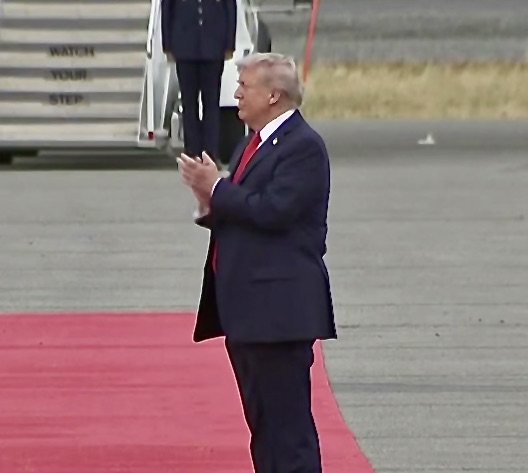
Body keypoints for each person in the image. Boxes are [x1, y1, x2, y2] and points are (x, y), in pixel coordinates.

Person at [177, 52, 336, 473]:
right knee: (264, 427)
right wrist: (208, 199)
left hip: (279, 313)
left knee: (287, 428)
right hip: (249, 311)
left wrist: (218, 188)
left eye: (244, 86)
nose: (236, 95)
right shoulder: (252, 143)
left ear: (273, 95)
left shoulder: (302, 147)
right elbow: (244, 209)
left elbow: (275, 211)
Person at [161, 0, 237, 164]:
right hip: (184, 45)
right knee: (189, 103)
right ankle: (192, 151)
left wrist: (230, 42)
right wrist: (167, 44)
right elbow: (167, 7)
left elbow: (230, 6)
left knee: (211, 103)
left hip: (214, 45)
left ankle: (210, 153)